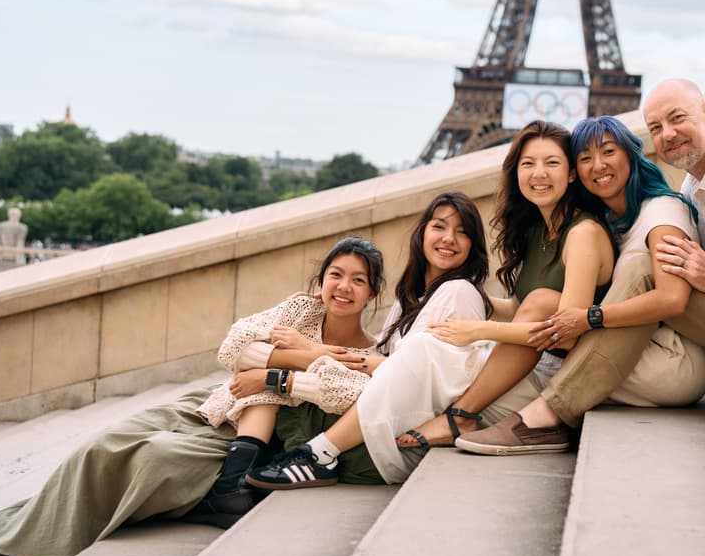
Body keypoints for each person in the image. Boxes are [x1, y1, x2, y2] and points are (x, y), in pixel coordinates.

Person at [0, 236, 384, 556]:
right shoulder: (300, 312)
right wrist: (310, 358)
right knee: (106, 442)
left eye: (358, 280)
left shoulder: (372, 351)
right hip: (224, 404)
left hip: (263, 435)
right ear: (321, 279)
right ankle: (21, 530)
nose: (344, 287)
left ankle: (43, 536)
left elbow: (353, 393)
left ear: (372, 293)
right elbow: (235, 349)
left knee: (152, 458)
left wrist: (276, 375)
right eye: (336, 274)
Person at [246, 120, 615, 489]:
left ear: (570, 174)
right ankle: (318, 451)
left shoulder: (581, 234)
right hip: (515, 364)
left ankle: (321, 453)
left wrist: (475, 325)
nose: (539, 173)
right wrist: (455, 297)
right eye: (528, 163)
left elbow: (565, 334)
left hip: (547, 380)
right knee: (438, 341)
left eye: (551, 163)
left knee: (440, 342)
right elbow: (517, 308)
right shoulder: (538, 232)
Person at [455, 107, 705, 455]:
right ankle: (458, 414)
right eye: (585, 157)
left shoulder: (661, 212)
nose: (597, 165)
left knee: (631, 270)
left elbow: (673, 300)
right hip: (635, 353)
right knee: (492, 366)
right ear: (577, 172)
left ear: (631, 154)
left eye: (608, 152)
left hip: (672, 362)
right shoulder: (607, 219)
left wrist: (589, 317)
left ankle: (546, 417)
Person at [0, 207, 28, 272]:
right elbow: (19, 244)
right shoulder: (22, 227)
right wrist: (18, 258)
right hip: (13, 257)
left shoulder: (0, 226)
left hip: (1, 256)